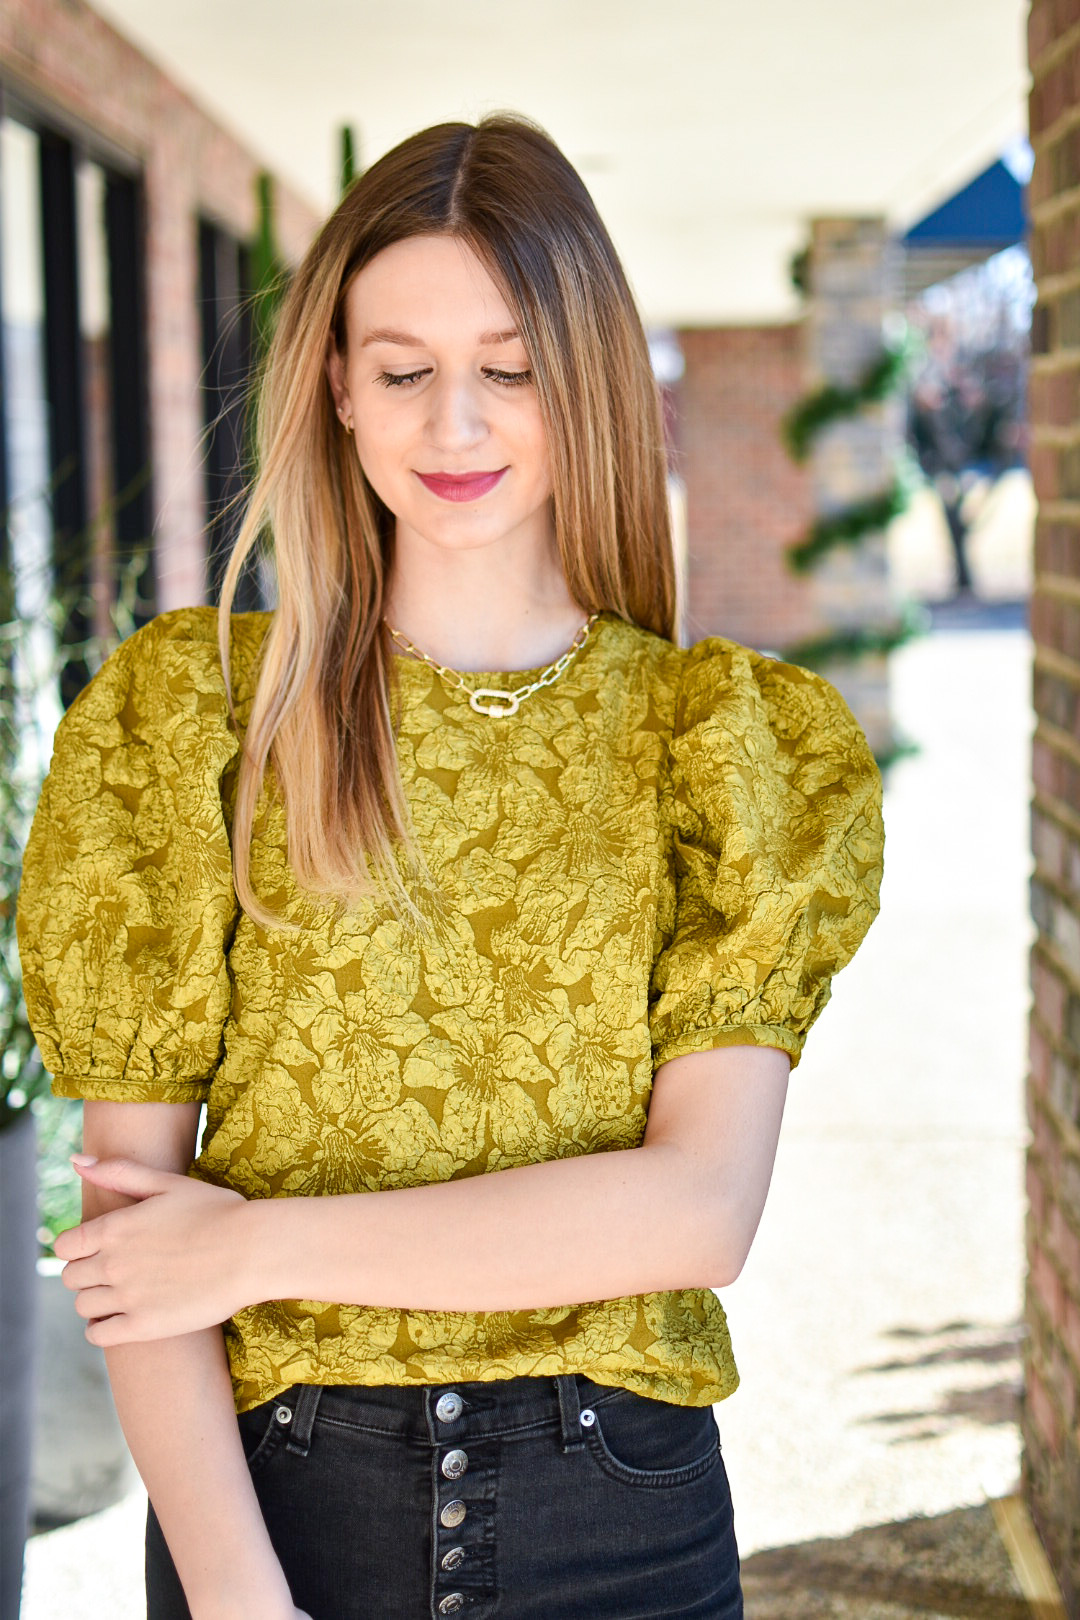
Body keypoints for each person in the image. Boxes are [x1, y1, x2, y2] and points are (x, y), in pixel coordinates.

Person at [17, 115, 884, 1620]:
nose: (457, 425)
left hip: (620, 1515)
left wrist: (255, 1248)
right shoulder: (203, 721)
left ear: (590, 382)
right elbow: (133, 1243)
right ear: (340, 392)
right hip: (276, 1512)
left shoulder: (713, 744)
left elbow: (697, 1214)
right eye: (405, 369)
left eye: (512, 367)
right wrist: (237, 1600)